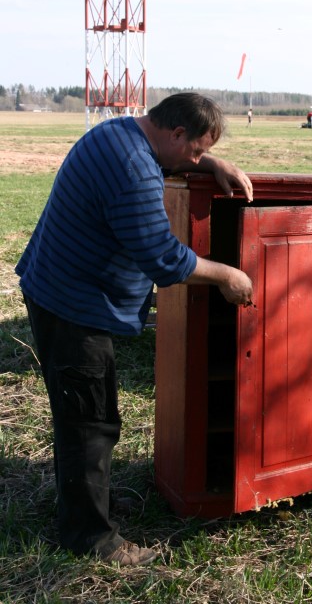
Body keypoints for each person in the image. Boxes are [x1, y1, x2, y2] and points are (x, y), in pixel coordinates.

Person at [15, 93, 253, 567]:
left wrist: (212, 164)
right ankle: (90, 538)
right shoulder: (132, 165)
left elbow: (166, 166)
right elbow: (163, 257)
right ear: (176, 133)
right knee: (90, 421)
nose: (196, 160)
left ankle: (86, 504)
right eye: (196, 151)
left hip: (59, 288)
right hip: (71, 304)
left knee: (82, 414)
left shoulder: (124, 134)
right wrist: (227, 275)